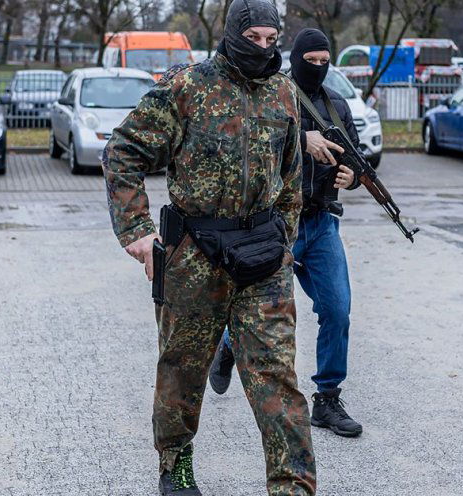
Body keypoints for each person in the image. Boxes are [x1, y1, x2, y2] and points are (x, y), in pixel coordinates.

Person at [101, 1, 316, 494]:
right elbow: (123, 151)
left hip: (262, 257)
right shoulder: (188, 87)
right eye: (253, 38)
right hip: (194, 255)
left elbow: (290, 178)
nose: (262, 48)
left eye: (270, 39)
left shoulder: (284, 91)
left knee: (277, 380)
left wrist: (283, 240)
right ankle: (174, 467)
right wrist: (135, 230)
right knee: (182, 370)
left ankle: (293, 487)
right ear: (233, 32)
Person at [209, 28, 364, 439]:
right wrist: (302, 137)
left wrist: (352, 177)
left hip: (322, 224)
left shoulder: (337, 105)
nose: (317, 68)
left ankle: (327, 398)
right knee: (264, 312)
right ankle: (227, 345)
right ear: (294, 59)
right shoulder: (277, 96)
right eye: (309, 61)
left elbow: (356, 158)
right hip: (278, 226)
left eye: (324, 61)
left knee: (337, 309)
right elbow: (250, 141)